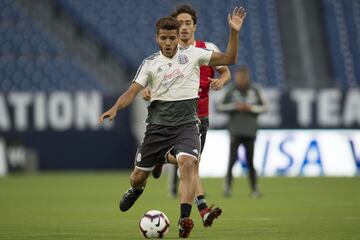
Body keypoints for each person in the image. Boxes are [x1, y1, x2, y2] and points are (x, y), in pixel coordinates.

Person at [99, 8, 246, 238]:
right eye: (164, 38)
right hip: (157, 128)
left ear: (179, 37)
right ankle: (137, 188)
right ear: (157, 38)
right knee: (137, 177)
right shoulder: (149, 63)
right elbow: (131, 91)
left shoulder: (195, 55)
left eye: (172, 38)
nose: (168, 42)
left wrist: (234, 33)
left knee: (188, 164)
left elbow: (230, 59)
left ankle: (184, 219)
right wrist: (116, 107)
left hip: (188, 125)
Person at [143, 4, 231, 228]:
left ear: (194, 26)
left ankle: (162, 158)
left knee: (192, 164)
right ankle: (202, 211)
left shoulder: (205, 48)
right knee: (192, 164)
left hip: (199, 116)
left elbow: (226, 69)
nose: (183, 27)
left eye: (187, 23)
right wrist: (148, 89)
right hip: (171, 117)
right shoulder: (170, 50)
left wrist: (222, 80)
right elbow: (154, 75)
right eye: (180, 23)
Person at [218, 65, 267, 198]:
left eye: (244, 76)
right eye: (240, 76)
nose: (242, 78)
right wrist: (235, 106)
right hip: (235, 130)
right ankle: (227, 187)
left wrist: (250, 108)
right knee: (232, 160)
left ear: (248, 76)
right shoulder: (230, 90)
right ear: (236, 76)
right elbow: (220, 107)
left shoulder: (255, 89)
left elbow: (264, 107)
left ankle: (254, 188)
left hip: (250, 130)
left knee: (250, 161)